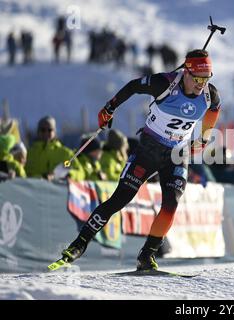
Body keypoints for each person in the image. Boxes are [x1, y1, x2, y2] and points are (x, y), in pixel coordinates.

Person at [59, 49, 222, 271]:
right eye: (197, 78)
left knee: (171, 204)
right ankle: (78, 245)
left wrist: (204, 137)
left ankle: (147, 255)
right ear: (186, 72)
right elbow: (134, 86)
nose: (201, 84)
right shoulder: (164, 84)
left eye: (206, 79)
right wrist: (110, 107)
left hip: (176, 155)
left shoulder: (209, 94)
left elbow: (215, 109)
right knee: (119, 199)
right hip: (148, 151)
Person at [25, 116, 84, 180]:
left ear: (54, 132)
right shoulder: (28, 154)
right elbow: (22, 175)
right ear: (38, 132)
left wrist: (70, 174)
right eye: (43, 130)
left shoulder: (65, 153)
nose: (46, 133)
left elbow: (81, 173)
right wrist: (42, 177)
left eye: (49, 130)